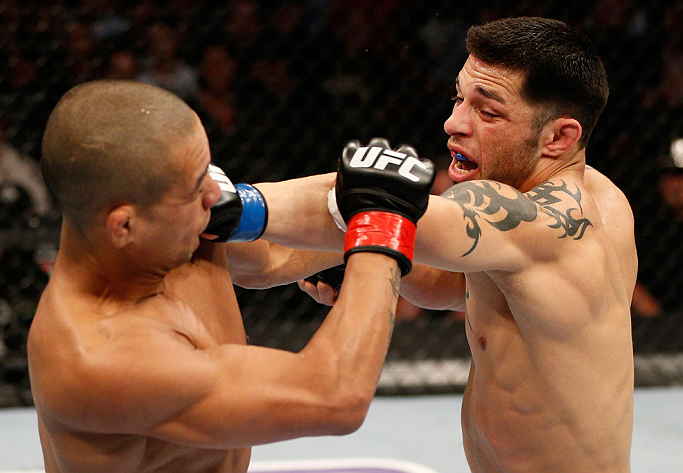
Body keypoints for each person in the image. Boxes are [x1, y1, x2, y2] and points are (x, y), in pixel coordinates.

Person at [257, 17, 636, 473]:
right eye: (459, 97)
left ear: (559, 137)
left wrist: (233, 205)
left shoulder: (543, 222)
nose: (452, 123)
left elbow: (385, 199)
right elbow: (454, 284)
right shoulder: (599, 197)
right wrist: (371, 261)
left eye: (488, 111)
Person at [27, 79, 435, 472]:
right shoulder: (101, 359)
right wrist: (380, 231)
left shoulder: (165, 228)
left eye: (206, 169)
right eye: (193, 188)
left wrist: (362, 239)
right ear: (123, 226)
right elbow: (333, 395)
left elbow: (274, 253)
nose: (213, 193)